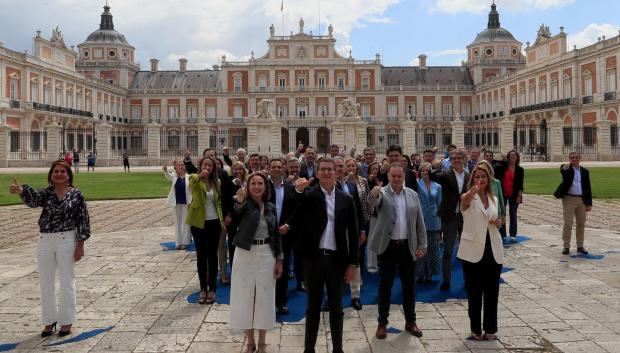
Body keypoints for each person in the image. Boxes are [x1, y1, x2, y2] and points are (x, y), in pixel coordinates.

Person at [10, 161, 90, 337]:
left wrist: (80, 245)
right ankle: (49, 320)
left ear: (68, 175)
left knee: (67, 281)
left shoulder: (76, 195)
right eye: (56, 171)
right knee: (46, 283)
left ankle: (66, 320)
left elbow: (83, 219)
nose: (59, 174)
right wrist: (21, 191)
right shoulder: (46, 193)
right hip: (45, 241)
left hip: (66, 240)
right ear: (51, 175)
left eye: (62, 171)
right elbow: (34, 200)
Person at [289, 157, 359, 353]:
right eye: (323, 170)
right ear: (317, 173)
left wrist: (353, 263)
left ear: (337, 172)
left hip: (337, 260)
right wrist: (298, 190)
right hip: (314, 259)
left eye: (330, 169)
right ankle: (309, 349)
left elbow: (354, 234)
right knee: (312, 308)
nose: (327, 172)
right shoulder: (309, 195)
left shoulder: (346, 199)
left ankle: (338, 349)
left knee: (337, 309)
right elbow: (295, 206)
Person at [368, 163, 427, 339]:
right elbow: (373, 203)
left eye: (399, 176)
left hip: (408, 246)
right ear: (388, 177)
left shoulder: (412, 195)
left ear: (404, 177)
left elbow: (419, 222)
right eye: (393, 176)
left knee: (409, 286)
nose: (396, 179)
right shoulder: (382, 193)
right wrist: (374, 193)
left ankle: (411, 321)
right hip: (388, 247)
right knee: (385, 286)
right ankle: (382, 323)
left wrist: (422, 245)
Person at [230, 172, 283, 353]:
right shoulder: (244, 204)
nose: (257, 186)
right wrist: (239, 199)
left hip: (266, 253)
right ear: (248, 186)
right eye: (253, 183)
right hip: (245, 253)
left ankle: (262, 342)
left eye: (260, 183)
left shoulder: (271, 207)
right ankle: (250, 341)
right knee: (245, 297)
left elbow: (276, 234)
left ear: (265, 187)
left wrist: (279, 260)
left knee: (265, 298)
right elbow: (237, 211)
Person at [457, 164, 504, 341]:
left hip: (492, 249)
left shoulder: (493, 198)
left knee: (492, 292)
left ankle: (491, 328)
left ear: (488, 179)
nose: (480, 180)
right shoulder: (467, 196)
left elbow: (492, 219)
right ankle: (476, 329)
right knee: (474, 292)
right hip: (472, 250)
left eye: (483, 177)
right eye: (477, 177)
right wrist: (472, 191)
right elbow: (464, 203)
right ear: (472, 179)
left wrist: (497, 222)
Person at [186, 156, 225, 304]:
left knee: (212, 256)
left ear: (213, 168)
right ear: (200, 166)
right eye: (205, 165)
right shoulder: (195, 179)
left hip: (214, 222)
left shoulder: (216, 182)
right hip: (198, 223)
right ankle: (203, 288)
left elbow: (218, 202)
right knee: (201, 256)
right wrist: (200, 176)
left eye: (210, 165)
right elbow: (191, 184)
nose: (207, 167)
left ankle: (212, 289)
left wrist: (221, 219)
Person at [431, 149, 470, 291]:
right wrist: (434, 165)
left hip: (465, 216)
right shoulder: (446, 175)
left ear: (464, 159)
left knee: (466, 250)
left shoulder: (468, 175)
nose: (457, 160)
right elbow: (431, 176)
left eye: (459, 158)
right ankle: (446, 280)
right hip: (450, 217)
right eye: (453, 158)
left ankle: (468, 280)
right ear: (451, 161)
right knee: (448, 251)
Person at [336, 157, 369, 310]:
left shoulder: (351, 185)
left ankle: (355, 296)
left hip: (352, 231)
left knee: (354, 263)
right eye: (335, 166)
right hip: (335, 233)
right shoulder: (327, 186)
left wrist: (362, 229)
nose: (338, 169)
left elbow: (358, 210)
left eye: (341, 166)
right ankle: (332, 297)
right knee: (334, 263)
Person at [269, 158, 299, 315]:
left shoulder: (289, 187)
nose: (276, 169)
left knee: (283, 268)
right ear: (269, 168)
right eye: (273, 167)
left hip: (284, 234)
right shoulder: (263, 186)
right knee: (267, 269)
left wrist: (287, 225)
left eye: (279, 167)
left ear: (284, 169)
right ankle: (266, 302)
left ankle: (281, 302)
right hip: (266, 235)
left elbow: (296, 209)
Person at [553, 151, 592, 255]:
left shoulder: (585, 171)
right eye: (572, 157)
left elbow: (588, 188)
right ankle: (566, 246)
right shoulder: (567, 168)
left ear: (580, 158)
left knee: (581, 223)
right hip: (569, 199)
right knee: (568, 223)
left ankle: (580, 245)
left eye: (576, 157)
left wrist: (589, 203)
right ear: (569, 159)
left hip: (581, 200)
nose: (574, 159)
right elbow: (563, 170)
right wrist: (565, 166)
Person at [416, 162, 442, 283]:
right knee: (420, 247)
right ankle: (420, 273)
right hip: (420, 218)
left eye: (427, 170)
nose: (425, 172)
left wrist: (440, 225)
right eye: (423, 171)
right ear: (420, 173)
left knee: (432, 248)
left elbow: (439, 204)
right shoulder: (416, 184)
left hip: (433, 219)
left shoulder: (437, 186)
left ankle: (430, 274)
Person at [495, 150, 524, 242]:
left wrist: (519, 196)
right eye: (511, 155)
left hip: (514, 194)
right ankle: (502, 233)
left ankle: (513, 234)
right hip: (503, 193)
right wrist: (504, 159)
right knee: (502, 214)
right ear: (508, 157)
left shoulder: (520, 169)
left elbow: (520, 184)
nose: (512, 157)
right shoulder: (504, 166)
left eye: (514, 155)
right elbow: (494, 162)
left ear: (517, 157)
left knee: (513, 214)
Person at [163, 160, 192, 250]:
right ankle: (178, 242)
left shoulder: (189, 177)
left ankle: (185, 242)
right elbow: (168, 176)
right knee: (177, 223)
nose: (181, 166)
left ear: (185, 167)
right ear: (177, 167)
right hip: (176, 202)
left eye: (182, 165)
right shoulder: (174, 176)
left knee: (185, 223)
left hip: (186, 202)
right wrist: (165, 170)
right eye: (179, 165)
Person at [228, 161, 249, 265]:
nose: (238, 171)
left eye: (240, 169)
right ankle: (233, 267)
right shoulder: (229, 182)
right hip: (233, 217)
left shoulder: (248, 181)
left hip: (246, 218)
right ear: (232, 170)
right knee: (232, 243)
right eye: (236, 169)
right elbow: (227, 199)